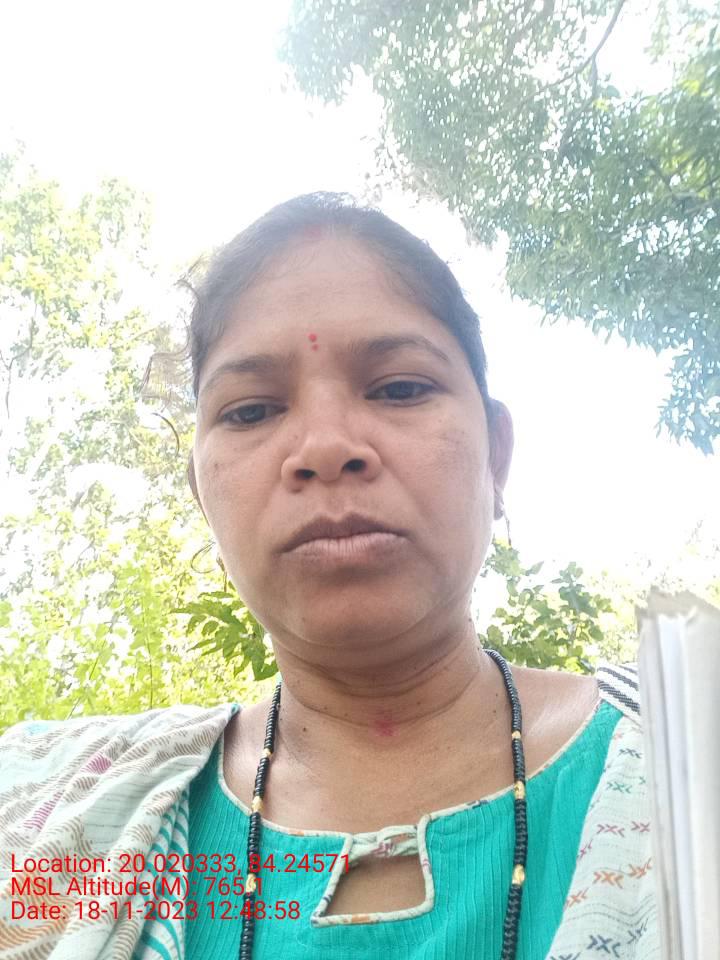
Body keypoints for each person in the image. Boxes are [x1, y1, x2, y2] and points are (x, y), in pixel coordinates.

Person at [0, 193, 657, 960]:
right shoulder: (37, 808)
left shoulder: (684, 761)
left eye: (400, 388)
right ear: (202, 494)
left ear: (497, 455)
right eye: (251, 411)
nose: (325, 447)